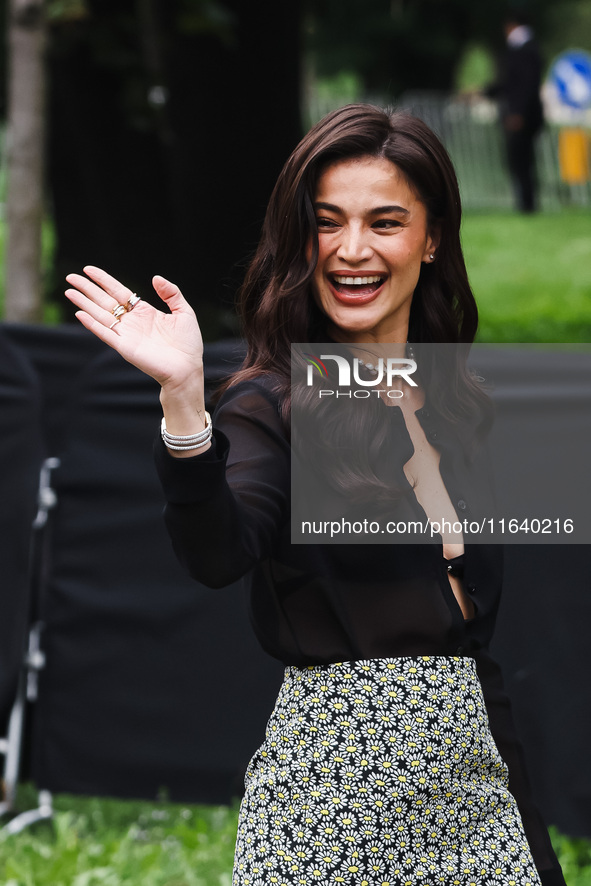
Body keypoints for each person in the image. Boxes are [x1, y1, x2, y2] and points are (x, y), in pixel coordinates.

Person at [64, 104, 565, 885]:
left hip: (475, 807)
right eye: (326, 222)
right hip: (327, 815)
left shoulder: (455, 403)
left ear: (431, 238)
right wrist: (185, 404)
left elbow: (475, 665)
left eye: (385, 221)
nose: (351, 249)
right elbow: (216, 548)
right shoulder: (275, 399)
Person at [486, 12, 544, 213]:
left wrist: (518, 113)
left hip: (521, 116)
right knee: (521, 161)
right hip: (523, 113)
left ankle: (527, 205)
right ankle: (526, 203)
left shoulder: (525, 50)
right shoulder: (527, 48)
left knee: (521, 161)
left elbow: (524, 84)